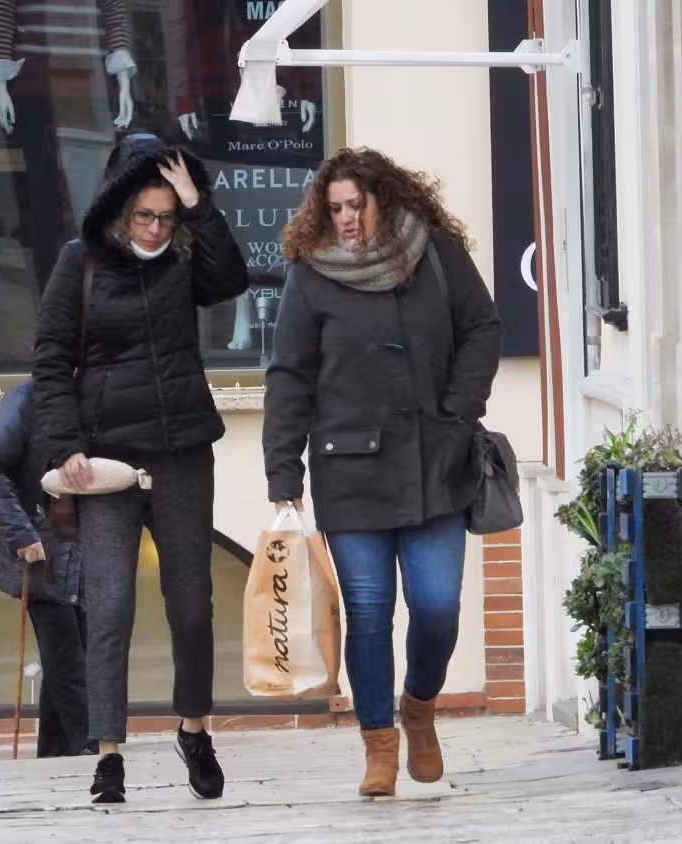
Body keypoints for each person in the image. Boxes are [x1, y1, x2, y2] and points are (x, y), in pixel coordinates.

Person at [263, 147, 504, 797]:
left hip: (436, 462)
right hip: (350, 471)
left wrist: (458, 413)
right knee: (368, 612)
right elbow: (289, 375)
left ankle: (419, 707)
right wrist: (282, 473)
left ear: (384, 200)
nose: (344, 219)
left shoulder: (436, 252)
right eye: (333, 207)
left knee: (435, 606)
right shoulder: (309, 274)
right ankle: (378, 745)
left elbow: (482, 328)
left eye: (354, 205)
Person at [33, 133, 249, 803]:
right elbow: (50, 360)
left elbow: (232, 279)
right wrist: (64, 444)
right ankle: (108, 755)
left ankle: (193, 729)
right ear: (120, 210)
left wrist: (199, 203)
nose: (157, 227)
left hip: (183, 450)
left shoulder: (188, 256)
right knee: (109, 608)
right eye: (145, 215)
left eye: (167, 214)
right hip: (104, 458)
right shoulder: (81, 263)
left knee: (191, 606)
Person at [0, 380, 94, 759]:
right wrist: (22, 534)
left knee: (76, 653)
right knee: (68, 656)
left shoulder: (94, 396)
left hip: (80, 544)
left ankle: (56, 754)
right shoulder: (23, 401)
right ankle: (91, 746)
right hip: (39, 546)